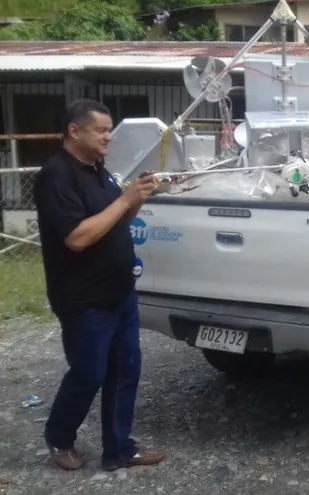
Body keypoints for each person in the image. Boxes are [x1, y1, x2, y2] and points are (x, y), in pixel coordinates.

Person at [35, 99, 166, 472]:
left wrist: (137, 199)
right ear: (74, 131)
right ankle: (60, 438)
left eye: (110, 129)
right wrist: (124, 199)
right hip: (84, 300)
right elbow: (77, 237)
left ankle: (120, 450)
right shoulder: (56, 176)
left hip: (120, 293)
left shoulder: (99, 170)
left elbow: (116, 223)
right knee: (88, 374)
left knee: (125, 372)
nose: (109, 136)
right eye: (101, 130)